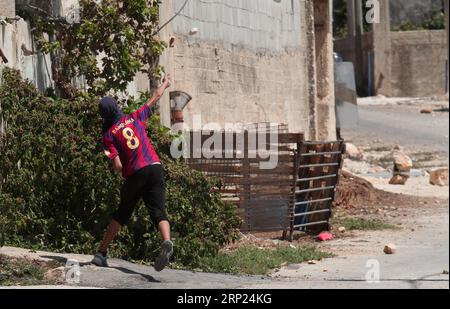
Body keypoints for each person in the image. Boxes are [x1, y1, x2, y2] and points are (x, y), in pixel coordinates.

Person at [91, 75, 172, 272]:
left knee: (121, 214)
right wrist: (165, 83)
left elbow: (118, 165)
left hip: (136, 173)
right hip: (155, 166)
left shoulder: (108, 136)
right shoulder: (134, 117)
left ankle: (101, 253)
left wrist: (119, 170)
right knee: (158, 211)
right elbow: (155, 97)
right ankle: (167, 241)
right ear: (117, 108)